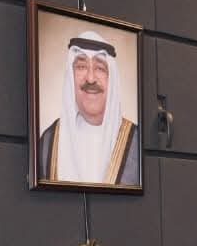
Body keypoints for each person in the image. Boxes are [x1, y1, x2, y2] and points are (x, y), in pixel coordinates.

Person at [36, 31, 140, 186]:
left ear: (111, 79)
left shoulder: (136, 142)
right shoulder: (48, 142)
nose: (90, 78)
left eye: (100, 68)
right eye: (81, 67)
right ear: (71, 76)